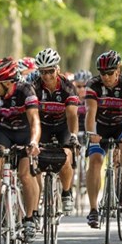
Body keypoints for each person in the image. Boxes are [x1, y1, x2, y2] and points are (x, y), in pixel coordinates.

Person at [0, 57, 41, 242]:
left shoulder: (25, 90)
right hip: (4, 132)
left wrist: (34, 142)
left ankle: (29, 218)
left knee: (25, 174)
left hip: (25, 132)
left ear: (7, 82)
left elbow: (35, 120)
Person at [84, 50, 122, 228]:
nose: (106, 77)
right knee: (95, 161)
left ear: (118, 70)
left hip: (120, 124)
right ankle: (93, 210)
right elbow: (90, 113)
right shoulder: (93, 84)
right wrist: (91, 133)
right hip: (100, 125)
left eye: (110, 73)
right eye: (103, 73)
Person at [32, 47, 80, 213]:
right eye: (43, 72)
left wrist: (73, 135)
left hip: (62, 126)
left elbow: (72, 115)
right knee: (34, 159)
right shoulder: (34, 87)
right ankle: (36, 197)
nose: (47, 76)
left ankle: (66, 192)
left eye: (50, 71)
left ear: (57, 69)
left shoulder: (68, 88)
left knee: (66, 157)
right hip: (43, 125)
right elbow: (30, 114)